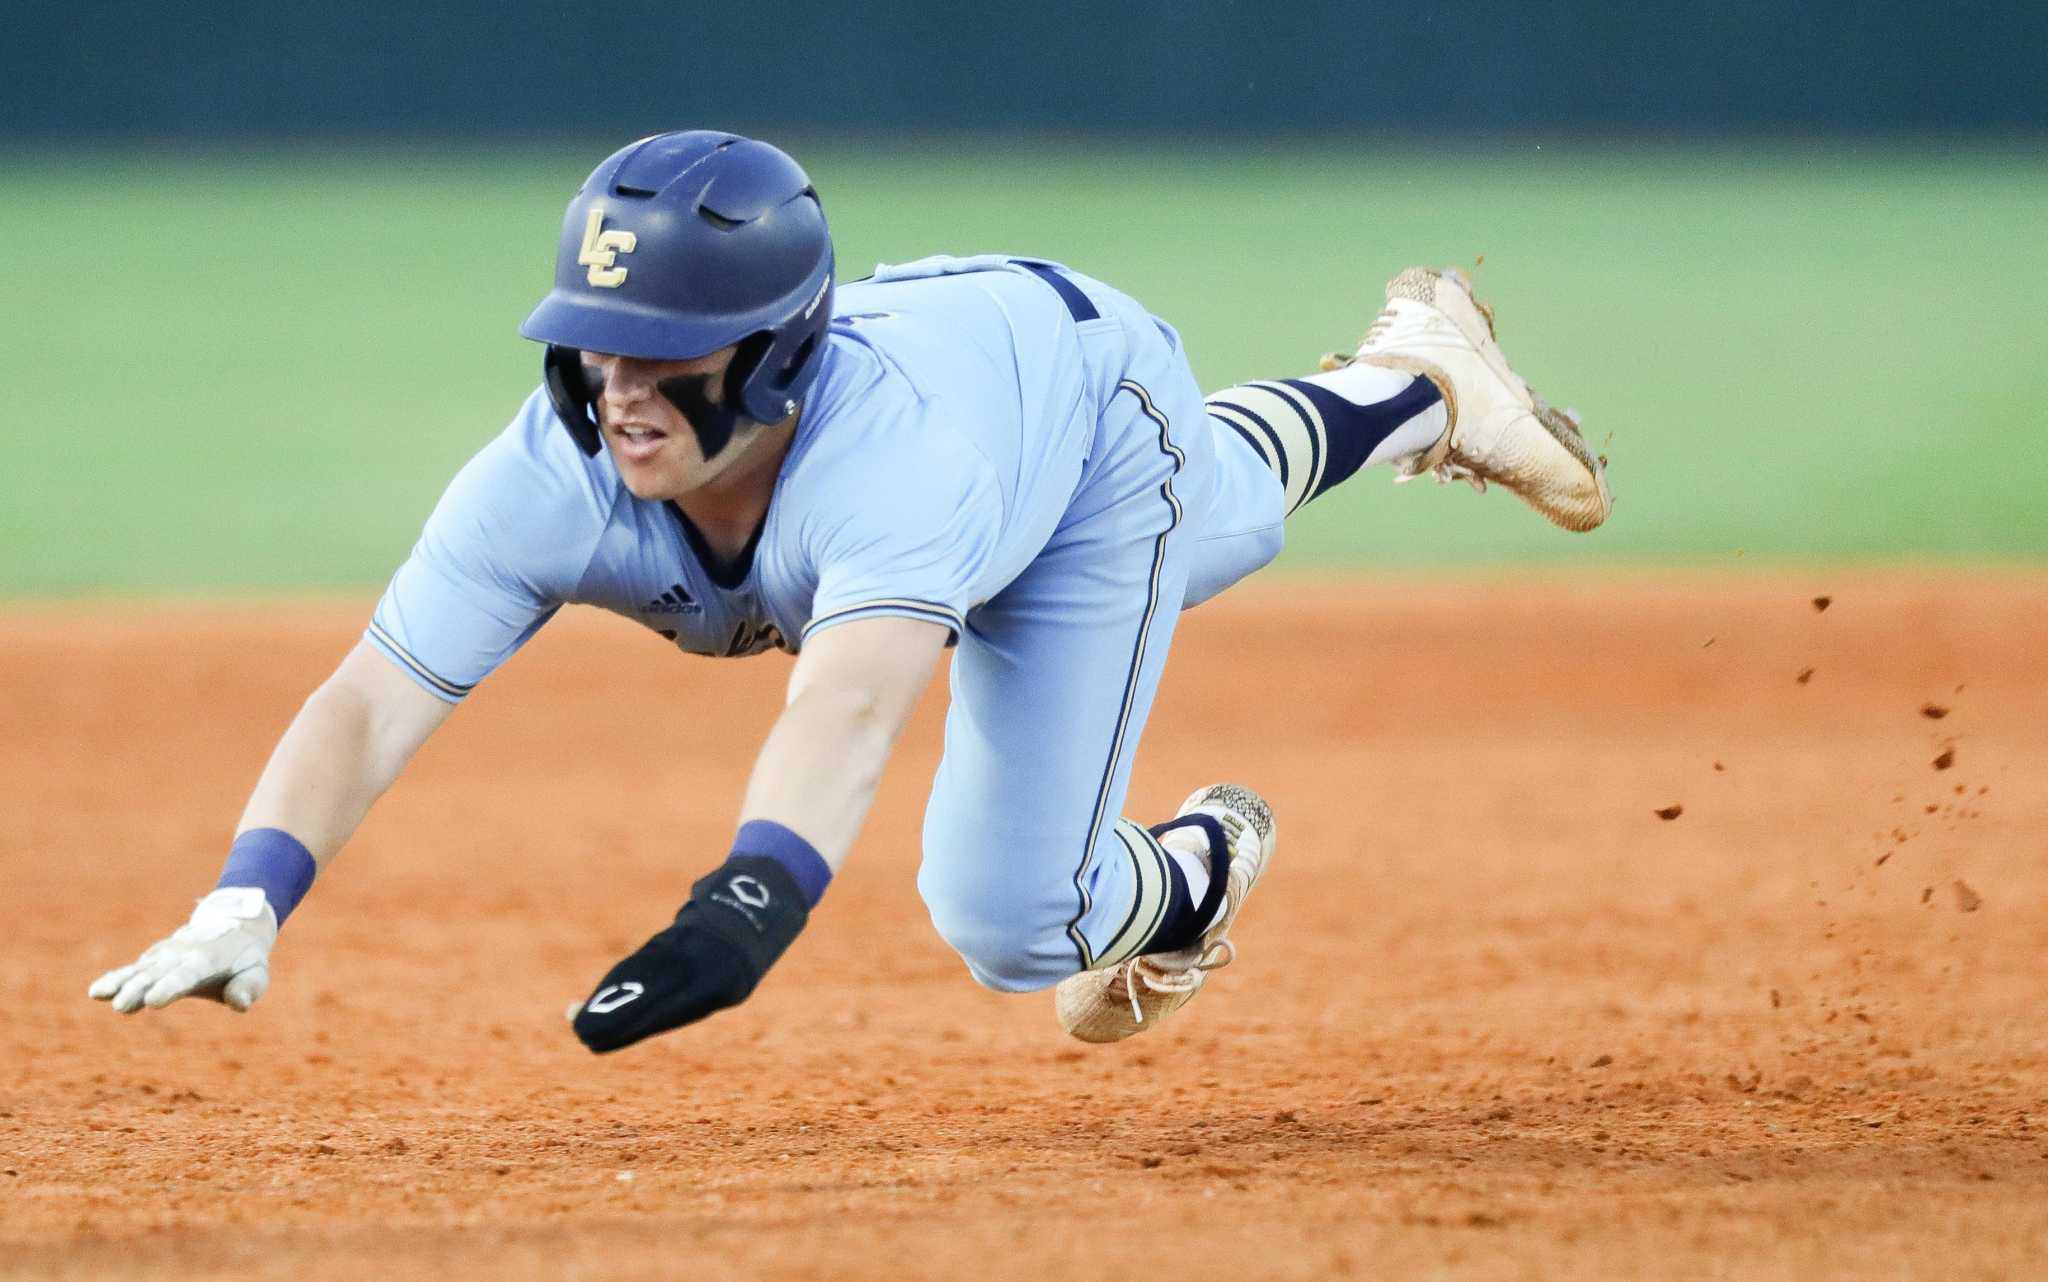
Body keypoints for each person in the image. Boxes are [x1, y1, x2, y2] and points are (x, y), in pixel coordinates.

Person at [88, 131, 1610, 1052]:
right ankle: (1416, 380)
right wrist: (251, 888)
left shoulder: (896, 475)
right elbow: (372, 692)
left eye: (664, 350)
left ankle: (1201, 866)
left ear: (775, 356)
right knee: (1219, 503)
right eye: (592, 342)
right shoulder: (551, 471)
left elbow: (852, 702)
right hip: (988, 375)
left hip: (1070, 425)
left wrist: (740, 913)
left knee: (1018, 919)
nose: (617, 388)